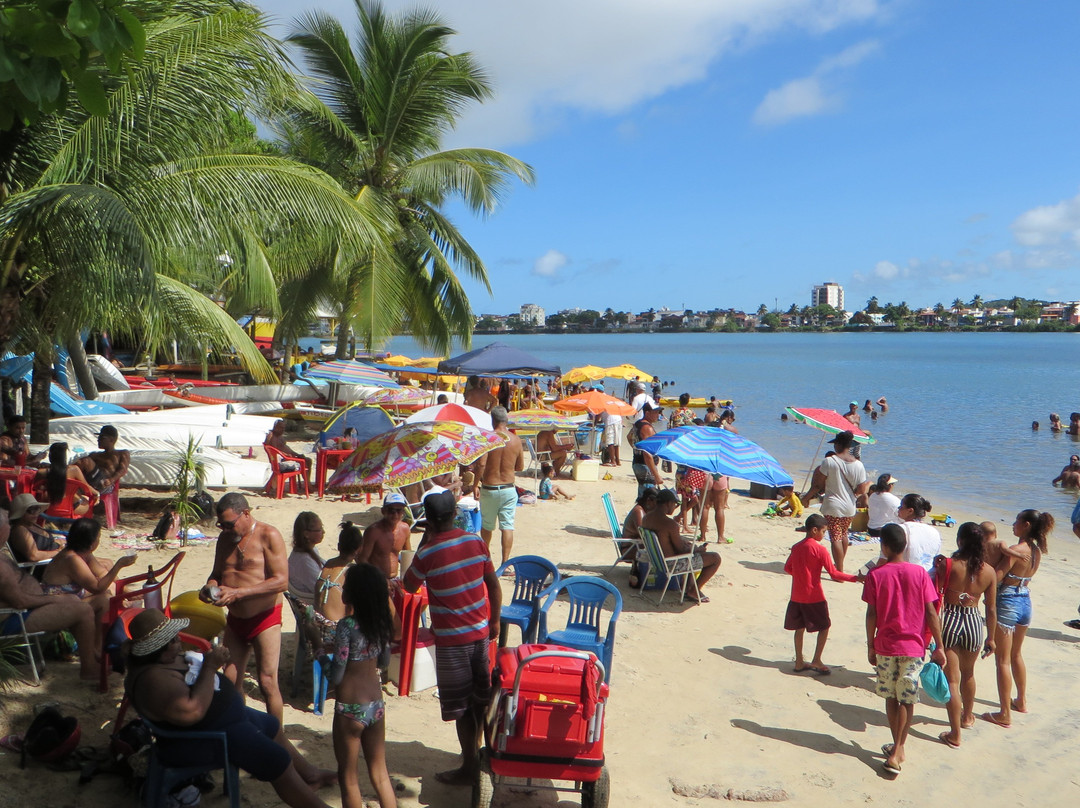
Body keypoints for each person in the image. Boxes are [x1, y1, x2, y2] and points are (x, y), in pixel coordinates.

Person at [125, 609, 336, 807]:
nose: (179, 640)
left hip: (220, 725)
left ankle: (310, 774)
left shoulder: (161, 664)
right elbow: (192, 711)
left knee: (270, 725)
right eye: (172, 641)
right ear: (157, 651)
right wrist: (209, 666)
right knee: (275, 760)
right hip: (201, 740)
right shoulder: (154, 681)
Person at [402, 490, 500, 786]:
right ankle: (476, 757)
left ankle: (469, 766)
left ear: (429, 521)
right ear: (455, 514)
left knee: (461, 707)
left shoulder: (428, 552)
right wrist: (494, 619)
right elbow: (493, 585)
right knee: (480, 701)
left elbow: (408, 584)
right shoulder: (476, 541)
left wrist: (423, 541)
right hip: (479, 634)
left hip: (451, 642)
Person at [862, 523, 946, 776]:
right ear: (905, 546)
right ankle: (899, 747)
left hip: (886, 645)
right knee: (907, 698)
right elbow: (931, 612)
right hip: (913, 646)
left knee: (891, 696)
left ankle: (897, 747)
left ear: (884, 546)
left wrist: (870, 645)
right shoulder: (919, 573)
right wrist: (939, 646)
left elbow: (871, 614)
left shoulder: (876, 575)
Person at [199, 492, 288, 723]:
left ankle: (276, 736)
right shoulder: (224, 539)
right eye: (221, 525)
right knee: (229, 682)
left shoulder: (269, 535)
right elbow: (217, 574)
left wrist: (238, 593)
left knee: (267, 681)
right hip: (236, 619)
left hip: (264, 617)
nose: (226, 529)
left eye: (229, 524)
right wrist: (210, 588)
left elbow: (281, 581)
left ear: (246, 514)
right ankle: (242, 726)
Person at [0, 509, 97, 681]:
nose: (11, 526)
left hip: (23, 609)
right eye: (8, 523)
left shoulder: (2, 554)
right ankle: (89, 669)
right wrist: (53, 598)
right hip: (14, 618)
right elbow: (20, 602)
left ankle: (88, 653)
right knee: (84, 611)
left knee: (74, 600)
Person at [330, 564, 397, 808]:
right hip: (375, 704)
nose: (342, 588)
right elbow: (384, 661)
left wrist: (319, 652)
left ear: (355, 593)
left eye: (345, 586)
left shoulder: (345, 626)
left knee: (348, 778)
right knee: (380, 774)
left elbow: (338, 673)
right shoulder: (380, 624)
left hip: (350, 707)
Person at [984, 509, 1054, 728]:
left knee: (1002, 660)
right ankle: (1021, 700)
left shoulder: (1016, 550)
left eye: (1016, 522)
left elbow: (997, 577)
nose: (1013, 525)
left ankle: (1005, 713)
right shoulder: (1036, 551)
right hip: (1025, 600)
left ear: (1025, 525)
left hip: (1007, 601)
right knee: (1016, 654)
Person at [934, 522, 997, 748]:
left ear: (959, 541)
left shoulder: (949, 565)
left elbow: (936, 594)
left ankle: (954, 734)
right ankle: (968, 717)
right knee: (968, 674)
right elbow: (991, 608)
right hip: (973, 620)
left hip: (950, 619)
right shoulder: (989, 571)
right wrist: (991, 637)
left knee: (952, 679)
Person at [784, 514, 858, 674]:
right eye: (824, 532)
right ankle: (816, 660)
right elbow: (834, 573)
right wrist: (856, 578)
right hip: (814, 596)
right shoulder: (820, 549)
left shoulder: (796, 547)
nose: (824, 535)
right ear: (814, 530)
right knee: (824, 627)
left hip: (796, 595)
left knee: (800, 628)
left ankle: (799, 661)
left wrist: (801, 576)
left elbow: (787, 568)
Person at [41, 517, 136, 624]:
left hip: (71, 598)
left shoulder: (83, 552)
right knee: (104, 600)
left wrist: (126, 592)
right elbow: (97, 588)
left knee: (109, 590)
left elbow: (101, 573)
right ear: (92, 544)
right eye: (98, 538)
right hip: (57, 608)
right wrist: (119, 565)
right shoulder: (72, 559)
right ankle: (101, 636)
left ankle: (123, 608)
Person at [641, 489, 721, 603]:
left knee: (692, 552)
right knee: (715, 558)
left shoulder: (647, 518)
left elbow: (666, 540)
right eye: (675, 504)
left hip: (657, 561)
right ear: (668, 503)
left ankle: (688, 587)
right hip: (672, 564)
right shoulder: (669, 524)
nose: (675, 508)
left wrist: (686, 545)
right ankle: (694, 590)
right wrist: (697, 549)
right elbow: (681, 550)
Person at [474, 406, 523, 567]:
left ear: (492, 420)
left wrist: (475, 485)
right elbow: (520, 467)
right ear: (506, 421)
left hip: (490, 488)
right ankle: (505, 563)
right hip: (509, 488)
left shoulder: (488, 438)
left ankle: (484, 560)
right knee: (507, 526)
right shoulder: (516, 440)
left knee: (487, 526)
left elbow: (481, 464)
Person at [814, 431, 869, 572]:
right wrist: (851, 495)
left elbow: (818, 485)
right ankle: (839, 565)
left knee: (835, 537)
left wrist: (807, 498)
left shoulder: (829, 461)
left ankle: (838, 570)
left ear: (838, 444)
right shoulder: (858, 465)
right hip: (850, 506)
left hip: (833, 505)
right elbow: (862, 489)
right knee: (843, 534)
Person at [357, 493, 411, 578]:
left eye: (399, 511)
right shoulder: (373, 531)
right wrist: (379, 579)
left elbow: (408, 556)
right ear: (383, 511)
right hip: (375, 579)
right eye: (391, 511)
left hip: (394, 579)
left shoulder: (405, 529)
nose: (395, 515)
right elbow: (362, 559)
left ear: (403, 512)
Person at [6, 492, 63, 563]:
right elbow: (33, 556)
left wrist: (59, 543)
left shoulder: (32, 525)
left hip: (53, 561)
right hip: (40, 567)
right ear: (20, 514)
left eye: (37, 509)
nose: (36, 513)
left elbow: (45, 543)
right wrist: (58, 552)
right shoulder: (20, 530)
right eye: (31, 510)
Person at [41, 442, 92, 515]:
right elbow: (87, 487)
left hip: (47, 507)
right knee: (83, 498)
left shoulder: (42, 472)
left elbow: (34, 488)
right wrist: (97, 493)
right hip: (72, 507)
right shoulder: (74, 470)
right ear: (64, 456)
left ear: (50, 456)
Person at [75, 424, 130, 493]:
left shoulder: (122, 453)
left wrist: (111, 480)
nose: (98, 440)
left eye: (102, 438)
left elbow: (123, 469)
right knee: (79, 464)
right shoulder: (95, 454)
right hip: (90, 481)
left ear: (111, 439)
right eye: (98, 437)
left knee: (86, 461)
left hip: (105, 484)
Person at [896, 493, 941, 571]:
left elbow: (886, 559)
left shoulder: (901, 529)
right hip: (928, 576)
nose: (898, 508)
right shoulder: (934, 532)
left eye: (901, 507)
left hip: (908, 575)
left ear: (910, 511)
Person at [288, 511, 325, 605]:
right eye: (319, 529)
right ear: (306, 534)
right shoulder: (304, 561)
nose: (323, 532)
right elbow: (321, 589)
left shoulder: (308, 551)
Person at [630, 403, 664, 497]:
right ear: (647, 413)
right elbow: (647, 453)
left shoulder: (638, 424)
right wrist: (656, 475)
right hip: (645, 465)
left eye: (659, 412)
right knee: (649, 496)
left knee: (644, 493)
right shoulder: (647, 428)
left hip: (638, 462)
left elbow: (629, 437)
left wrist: (636, 450)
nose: (658, 415)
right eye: (656, 412)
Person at [265, 420, 311, 486]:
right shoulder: (273, 436)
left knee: (308, 460)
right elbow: (274, 451)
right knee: (304, 463)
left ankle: (307, 482)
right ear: (275, 427)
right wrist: (287, 455)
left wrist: (297, 454)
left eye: (283, 428)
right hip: (282, 460)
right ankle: (308, 485)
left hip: (287, 457)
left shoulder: (279, 436)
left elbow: (286, 448)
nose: (283, 430)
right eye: (281, 427)